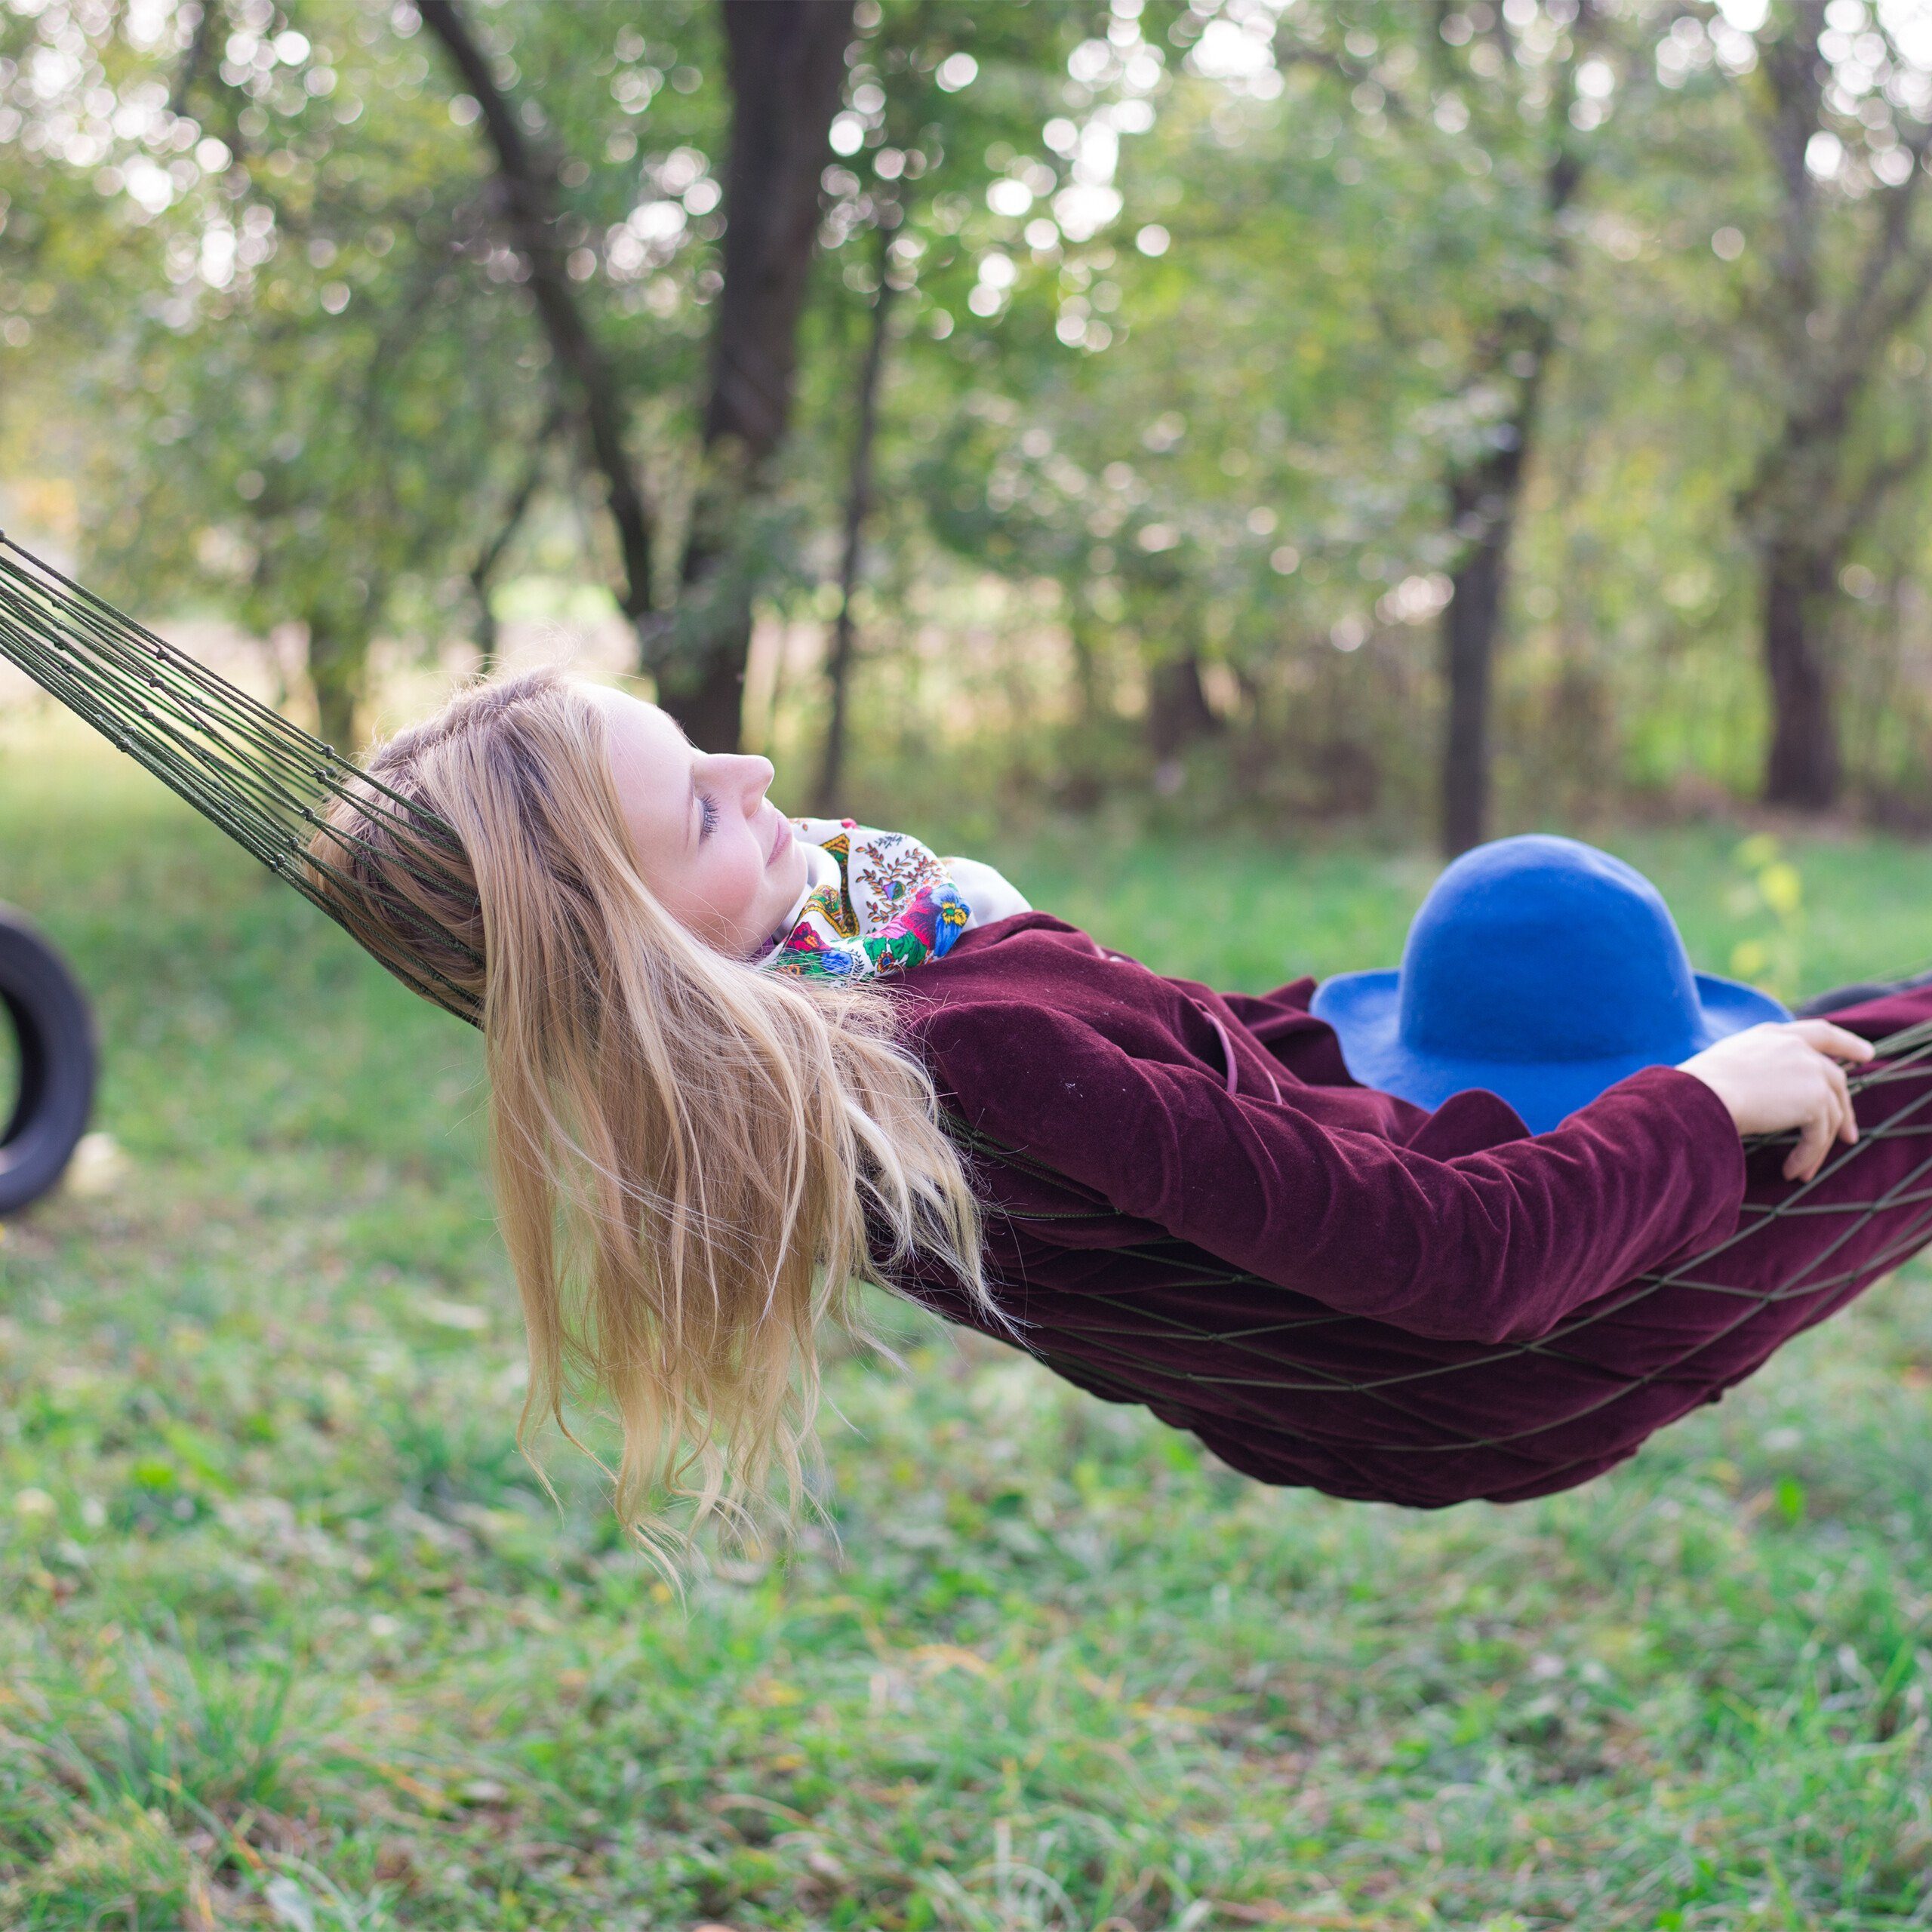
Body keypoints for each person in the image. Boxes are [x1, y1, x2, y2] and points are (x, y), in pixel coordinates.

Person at [313, 666, 1932, 1545]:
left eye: (703, 744)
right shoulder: (954, 1052)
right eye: (700, 807)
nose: (753, 770)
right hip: (1524, 1331)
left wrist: (1314, 1037)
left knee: (1864, 1034)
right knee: (1893, 1066)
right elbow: (1462, 1261)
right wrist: (1689, 1099)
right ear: (641, 945)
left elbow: (1187, 1091)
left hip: (1379, 1352)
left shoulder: (813, 1066)